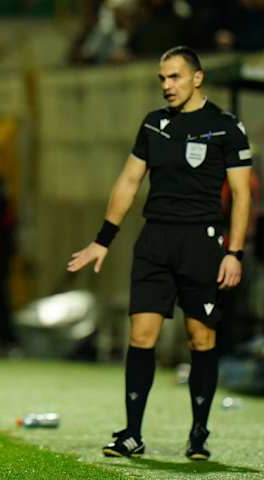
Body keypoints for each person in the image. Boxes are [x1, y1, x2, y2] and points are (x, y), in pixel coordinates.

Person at [67, 46, 251, 461]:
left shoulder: (225, 127)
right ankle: (131, 433)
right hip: (155, 243)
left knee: (200, 337)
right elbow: (129, 182)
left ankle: (199, 434)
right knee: (141, 335)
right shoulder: (155, 124)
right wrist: (103, 239)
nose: (167, 86)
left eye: (175, 77)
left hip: (202, 244)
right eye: (162, 79)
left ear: (197, 78)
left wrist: (234, 252)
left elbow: (240, 195)